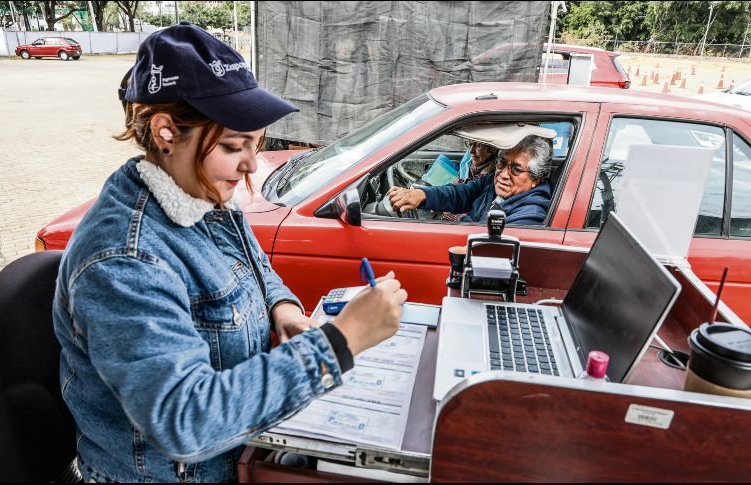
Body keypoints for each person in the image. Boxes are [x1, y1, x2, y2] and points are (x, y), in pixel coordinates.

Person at [52, 22, 407, 483]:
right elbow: (186, 420)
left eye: (257, 144)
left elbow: (252, 265)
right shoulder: (124, 260)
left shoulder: (203, 195)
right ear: (165, 132)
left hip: (236, 457)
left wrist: (281, 308)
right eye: (233, 146)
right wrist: (340, 342)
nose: (252, 164)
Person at [389, 135, 553, 225]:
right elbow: (460, 193)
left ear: (536, 179)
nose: (503, 174)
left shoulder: (530, 216)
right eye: (501, 164)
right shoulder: (490, 182)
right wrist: (421, 195)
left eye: (516, 169)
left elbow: (486, 249)